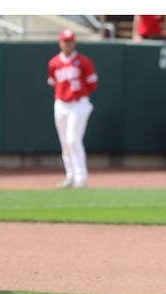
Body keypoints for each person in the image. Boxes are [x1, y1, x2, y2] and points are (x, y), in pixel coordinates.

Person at [47, 29, 99, 189]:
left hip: (78, 104)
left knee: (72, 140)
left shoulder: (83, 61)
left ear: (74, 42)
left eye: (70, 41)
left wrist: (78, 94)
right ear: (60, 42)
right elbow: (52, 82)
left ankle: (80, 177)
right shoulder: (54, 62)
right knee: (65, 142)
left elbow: (93, 84)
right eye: (65, 41)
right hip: (61, 104)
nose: (67, 44)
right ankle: (70, 175)